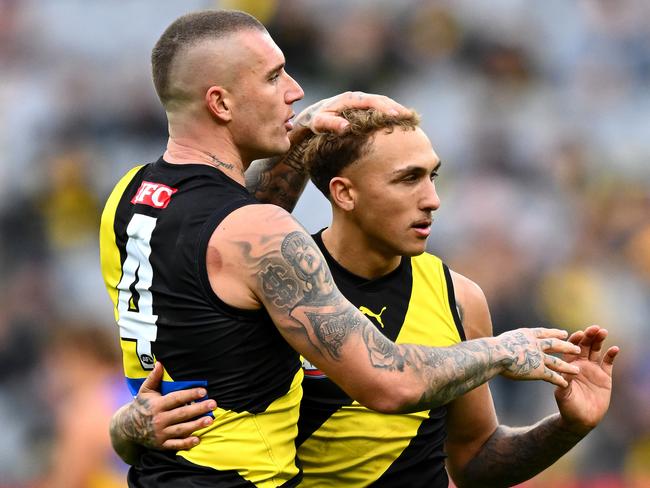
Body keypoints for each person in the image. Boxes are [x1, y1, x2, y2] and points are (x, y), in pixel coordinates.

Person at [99, 10, 584, 487]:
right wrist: (500, 351)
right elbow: (388, 383)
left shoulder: (128, 199)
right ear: (221, 104)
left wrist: (125, 428)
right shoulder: (262, 234)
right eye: (273, 78)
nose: (294, 91)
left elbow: (221, 250)